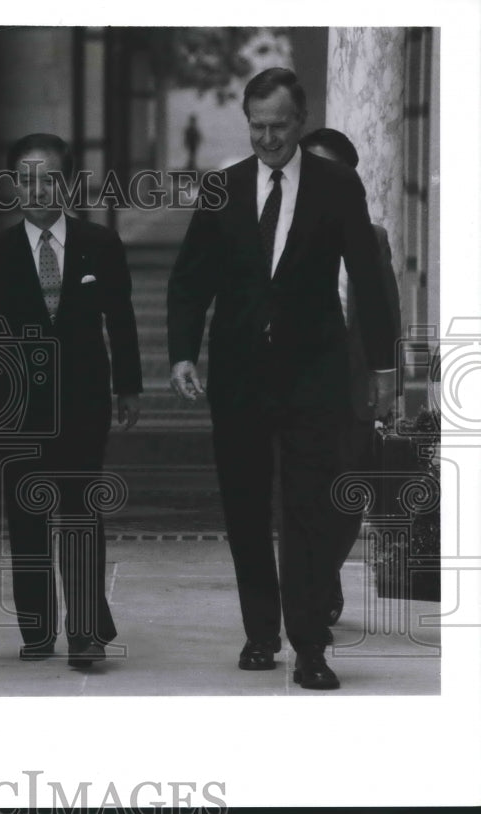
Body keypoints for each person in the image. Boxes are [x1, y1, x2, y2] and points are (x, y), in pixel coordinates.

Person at [167, 68, 398, 690]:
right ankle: (260, 633)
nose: (267, 138)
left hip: (311, 375)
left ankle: (310, 646)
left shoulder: (337, 184)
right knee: (245, 507)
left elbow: (368, 280)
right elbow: (191, 279)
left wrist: (381, 366)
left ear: (300, 122)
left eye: (279, 125)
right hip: (238, 375)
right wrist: (183, 353)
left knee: (306, 508)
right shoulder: (223, 188)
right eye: (257, 126)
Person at [0, 133, 142, 668]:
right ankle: (37, 629)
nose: (38, 189)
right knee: (28, 514)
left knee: (82, 512)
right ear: (12, 186)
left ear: (69, 183)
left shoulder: (99, 245)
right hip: (18, 406)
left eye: (49, 178)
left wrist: (127, 386)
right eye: (27, 179)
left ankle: (86, 632)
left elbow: (121, 321)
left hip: (83, 400)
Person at [298, 127, 402, 626]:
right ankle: (310, 589)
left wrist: (388, 381)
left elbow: (385, 309)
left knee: (344, 499)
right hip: (292, 390)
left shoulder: (371, 238)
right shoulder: (277, 237)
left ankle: (324, 575)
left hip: (351, 389)